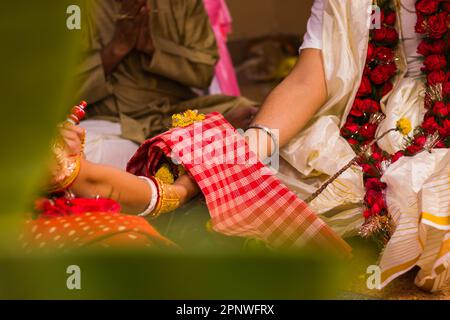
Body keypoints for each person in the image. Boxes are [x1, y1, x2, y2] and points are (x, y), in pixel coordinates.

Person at [239, 0, 449, 292]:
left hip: (440, 119)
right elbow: (308, 81)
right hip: (374, 119)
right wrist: (245, 153)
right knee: (275, 181)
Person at [76, 0, 257, 170]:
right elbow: (61, 92)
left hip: (179, 115)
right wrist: (116, 49)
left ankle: (165, 159)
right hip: (112, 122)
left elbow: (204, 73)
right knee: (72, 154)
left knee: (253, 116)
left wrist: (154, 47)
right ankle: (170, 158)